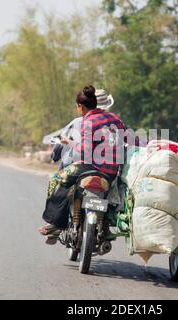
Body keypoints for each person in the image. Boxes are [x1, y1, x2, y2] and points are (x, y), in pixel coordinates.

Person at [39, 85, 125, 245]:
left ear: (81, 106)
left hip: (92, 167)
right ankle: (104, 224)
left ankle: (55, 224)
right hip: (112, 172)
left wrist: (69, 142)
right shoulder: (116, 119)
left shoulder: (87, 121)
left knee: (57, 179)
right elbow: (127, 140)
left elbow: (85, 150)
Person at [52, 89, 115, 170]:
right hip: (108, 168)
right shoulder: (113, 121)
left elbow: (61, 141)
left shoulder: (78, 122)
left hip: (80, 164)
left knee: (57, 178)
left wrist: (55, 156)